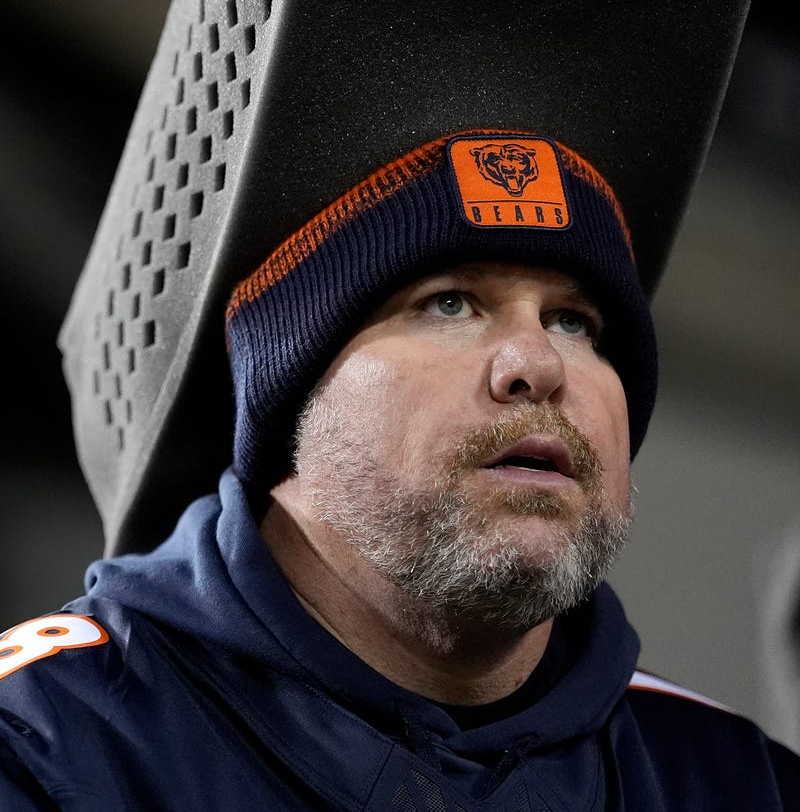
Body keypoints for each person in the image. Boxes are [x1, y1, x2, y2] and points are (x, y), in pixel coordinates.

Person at [0, 129, 798, 809]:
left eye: (574, 321)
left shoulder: (735, 778)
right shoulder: (49, 740)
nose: (538, 362)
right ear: (296, 402)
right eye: (449, 303)